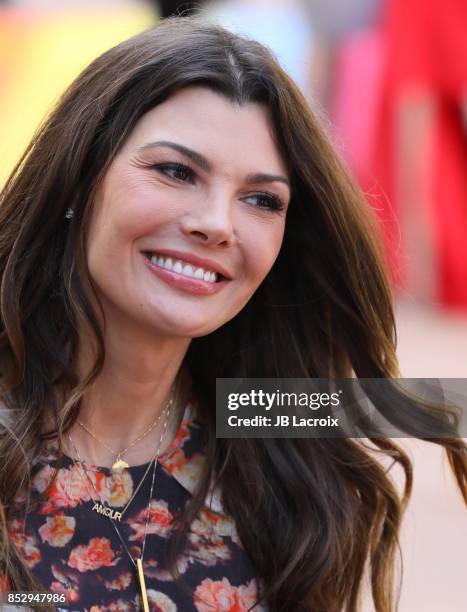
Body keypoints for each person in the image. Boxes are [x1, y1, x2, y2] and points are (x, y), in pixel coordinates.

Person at [0, 17, 465, 612]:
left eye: (261, 200)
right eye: (175, 171)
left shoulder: (265, 420)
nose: (218, 223)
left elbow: (441, 403)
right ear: (77, 180)